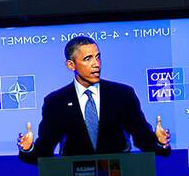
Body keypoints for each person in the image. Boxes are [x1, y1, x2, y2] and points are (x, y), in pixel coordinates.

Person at [17, 35, 171, 163]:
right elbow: (45, 151)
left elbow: (143, 139)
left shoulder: (122, 95)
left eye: (98, 57)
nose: (96, 64)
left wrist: (160, 143)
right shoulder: (56, 102)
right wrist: (28, 149)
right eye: (88, 59)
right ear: (71, 65)